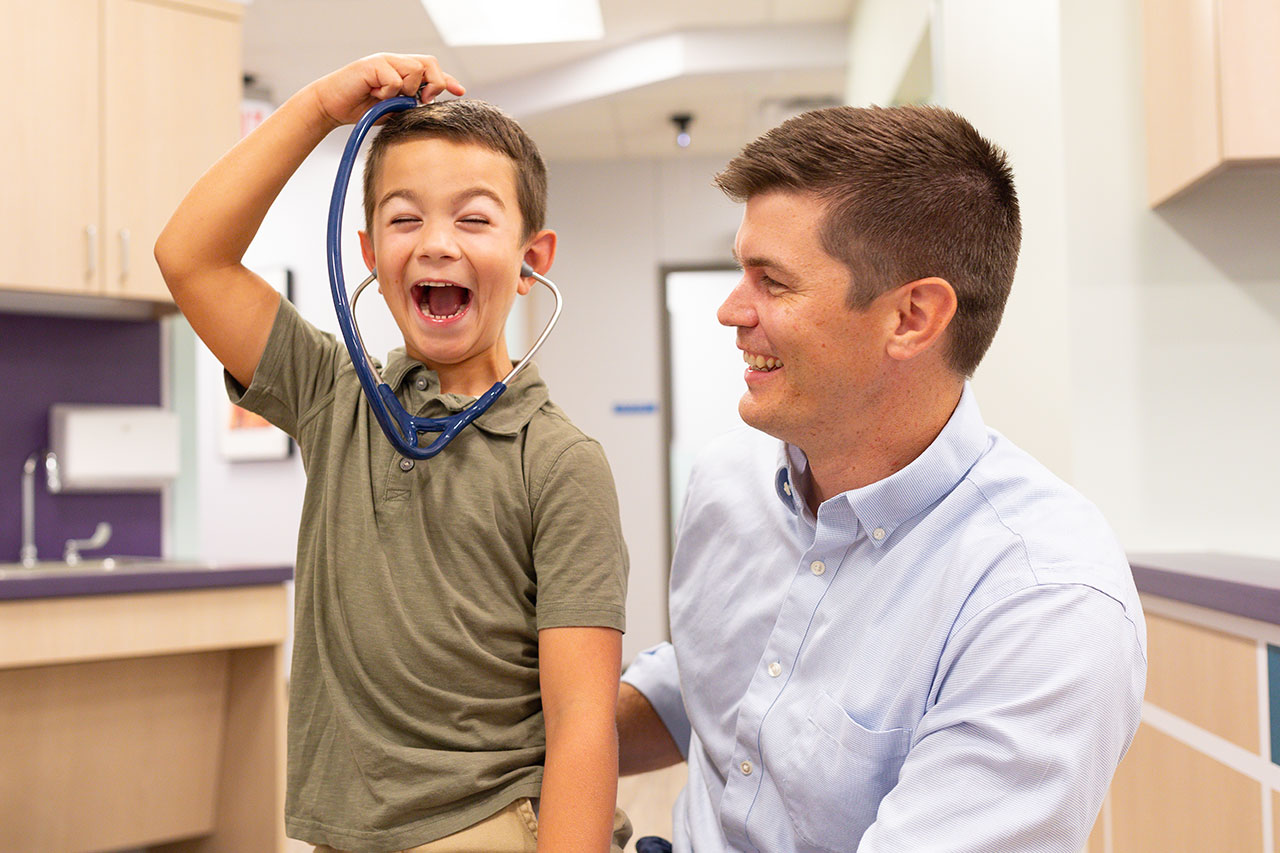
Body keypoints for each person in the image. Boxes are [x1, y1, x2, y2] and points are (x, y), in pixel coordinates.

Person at [618, 105, 1147, 852]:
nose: (731, 310)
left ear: (912, 317)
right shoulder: (729, 480)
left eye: (772, 281)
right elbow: (713, 690)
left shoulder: (1043, 601)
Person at [155, 54, 631, 853]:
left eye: (475, 219)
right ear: (371, 254)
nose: (437, 243)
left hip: (491, 824)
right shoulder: (334, 394)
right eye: (406, 219)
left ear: (532, 260)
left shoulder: (559, 461)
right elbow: (191, 257)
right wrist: (315, 108)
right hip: (345, 833)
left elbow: (584, 723)